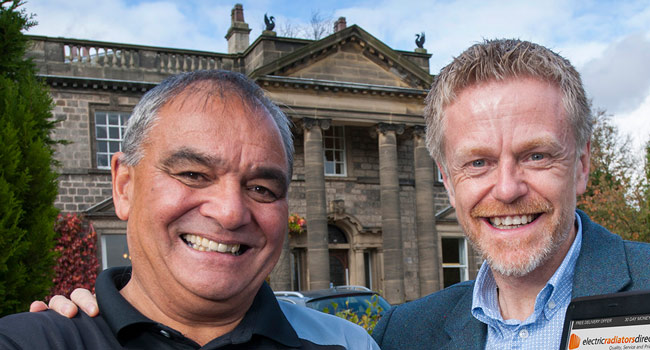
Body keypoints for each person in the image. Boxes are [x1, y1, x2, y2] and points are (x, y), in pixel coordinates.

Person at [0, 70, 379, 349]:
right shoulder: (26, 342)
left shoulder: (348, 344)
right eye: (194, 174)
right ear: (124, 186)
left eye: (262, 188)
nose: (230, 213)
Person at [371, 39, 650, 349]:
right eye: (478, 162)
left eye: (536, 156)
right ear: (448, 181)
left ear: (581, 166)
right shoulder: (402, 335)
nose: (506, 190)